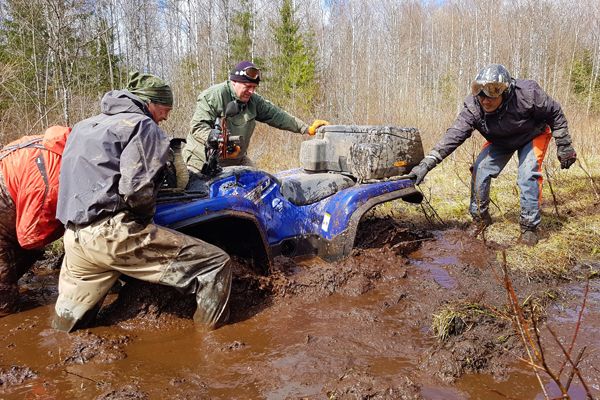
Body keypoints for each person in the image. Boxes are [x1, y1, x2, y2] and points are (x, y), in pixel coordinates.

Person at [53, 72, 231, 332]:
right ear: (150, 104)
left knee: (69, 324)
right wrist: (145, 219)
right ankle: (214, 348)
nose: (166, 117)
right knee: (216, 264)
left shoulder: (85, 126)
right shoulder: (142, 126)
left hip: (74, 236)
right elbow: (137, 189)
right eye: (165, 109)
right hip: (112, 236)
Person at [409, 64, 577, 246]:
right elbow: (453, 135)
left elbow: (555, 113)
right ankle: (480, 219)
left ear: (505, 92)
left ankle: (529, 227)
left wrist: (564, 145)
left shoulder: (528, 93)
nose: (485, 100)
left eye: (492, 94)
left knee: (528, 174)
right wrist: (427, 163)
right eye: (480, 94)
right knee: (480, 169)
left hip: (533, 134)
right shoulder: (473, 107)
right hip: (500, 140)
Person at [183, 60, 329, 171]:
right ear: (234, 82)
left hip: (236, 160)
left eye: (254, 87)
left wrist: (306, 128)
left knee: (260, 188)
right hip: (202, 162)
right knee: (206, 206)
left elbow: (277, 115)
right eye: (247, 87)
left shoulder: (253, 100)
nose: (251, 91)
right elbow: (197, 127)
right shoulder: (214, 96)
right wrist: (215, 138)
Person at [0, 126, 71, 316]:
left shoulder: (65, 145)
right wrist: (68, 226)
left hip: (12, 206)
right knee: (5, 303)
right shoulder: (52, 179)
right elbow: (30, 238)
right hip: (6, 216)